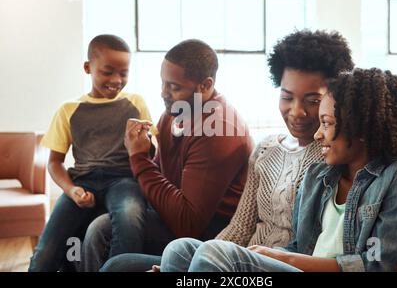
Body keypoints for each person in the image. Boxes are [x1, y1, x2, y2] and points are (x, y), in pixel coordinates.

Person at [100, 29, 355, 272]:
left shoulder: (331, 157)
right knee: (171, 253)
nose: (297, 111)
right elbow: (240, 228)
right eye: (287, 97)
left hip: (276, 263)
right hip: (236, 257)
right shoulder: (267, 149)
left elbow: (319, 246)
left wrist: (213, 256)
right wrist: (202, 256)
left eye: (313, 101)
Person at [159, 67, 397, 272]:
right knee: (180, 250)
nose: (319, 134)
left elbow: (376, 263)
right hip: (297, 265)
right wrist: (274, 254)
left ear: (361, 129)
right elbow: (300, 246)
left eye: (327, 123)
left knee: (214, 255)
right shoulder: (318, 175)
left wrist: (282, 256)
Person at [79, 39, 254, 271]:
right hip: (172, 216)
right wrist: (149, 153)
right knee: (99, 227)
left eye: (174, 87)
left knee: (114, 260)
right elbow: (165, 176)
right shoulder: (175, 112)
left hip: (208, 236)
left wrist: (139, 159)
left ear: (205, 85)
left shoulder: (219, 129)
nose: (163, 93)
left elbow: (187, 224)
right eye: (163, 83)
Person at [28, 34, 157, 271]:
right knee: (45, 251)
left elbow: (152, 151)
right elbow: (54, 163)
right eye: (108, 72)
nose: (117, 80)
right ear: (88, 68)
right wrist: (71, 189)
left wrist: (143, 141)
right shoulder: (69, 110)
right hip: (82, 181)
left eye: (124, 73)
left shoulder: (136, 103)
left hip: (123, 179)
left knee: (129, 216)